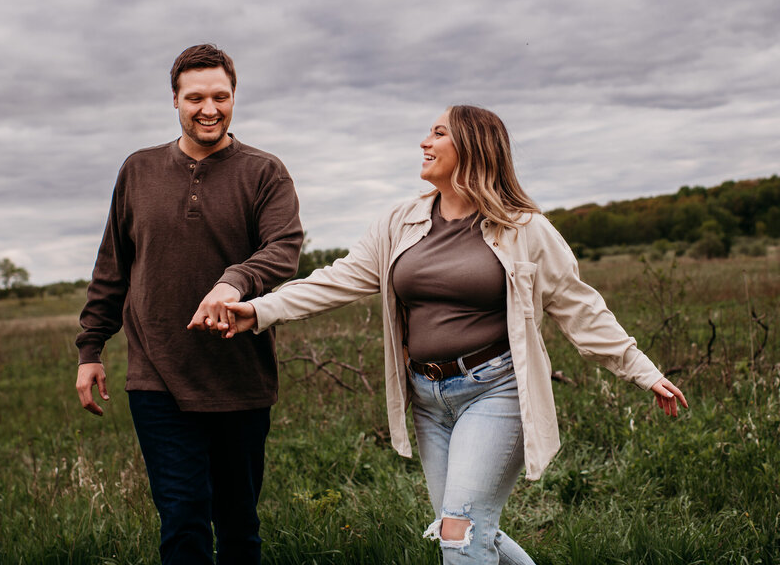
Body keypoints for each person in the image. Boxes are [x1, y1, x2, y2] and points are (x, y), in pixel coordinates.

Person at [189, 104, 686, 564]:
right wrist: (256, 310)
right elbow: (336, 279)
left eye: (438, 132)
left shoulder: (524, 229)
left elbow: (580, 308)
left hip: (496, 390)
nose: (424, 142)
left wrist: (641, 371)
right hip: (427, 397)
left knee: (460, 528)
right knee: (468, 526)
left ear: (472, 147)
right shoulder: (399, 222)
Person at [75, 43, 303, 565]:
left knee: (240, 523)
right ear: (175, 101)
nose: (209, 109)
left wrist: (235, 281)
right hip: (157, 377)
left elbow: (283, 248)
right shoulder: (138, 170)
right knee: (182, 520)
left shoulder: (265, 172)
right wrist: (91, 349)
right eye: (195, 97)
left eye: (220, 96)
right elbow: (112, 267)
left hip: (239, 377)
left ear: (234, 97)